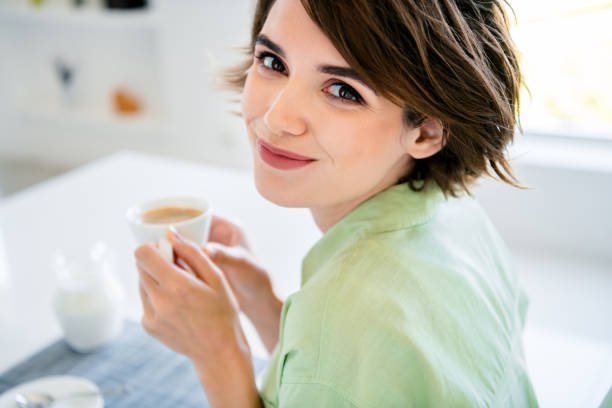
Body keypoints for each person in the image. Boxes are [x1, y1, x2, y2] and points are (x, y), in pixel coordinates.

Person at [134, 0, 540, 406]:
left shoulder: (352, 318)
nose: (277, 118)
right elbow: (343, 377)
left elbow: (349, 347)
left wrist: (216, 350)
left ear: (425, 130)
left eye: (343, 91)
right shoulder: (458, 217)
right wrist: (260, 300)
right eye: (273, 62)